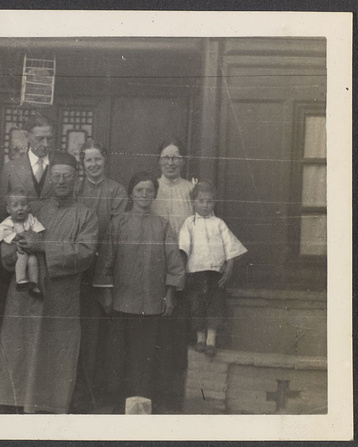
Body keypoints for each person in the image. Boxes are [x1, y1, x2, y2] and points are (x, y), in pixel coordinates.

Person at [0, 151, 99, 414]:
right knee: (21, 346)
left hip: (62, 296)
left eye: (67, 176)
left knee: (56, 349)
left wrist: (43, 246)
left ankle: (49, 405)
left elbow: (85, 253)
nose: (61, 181)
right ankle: (15, 403)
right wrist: (11, 251)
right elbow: (5, 239)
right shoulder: (32, 208)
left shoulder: (86, 215)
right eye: (56, 176)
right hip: (26, 294)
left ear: (76, 179)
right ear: (50, 177)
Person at [93, 171, 185, 413]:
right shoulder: (119, 223)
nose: (144, 195)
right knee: (116, 354)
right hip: (121, 302)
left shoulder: (162, 225)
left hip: (152, 303)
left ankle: (142, 404)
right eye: (139, 190)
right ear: (131, 194)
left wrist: (170, 294)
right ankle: (115, 402)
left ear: (154, 195)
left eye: (149, 191)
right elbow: (105, 262)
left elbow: (174, 263)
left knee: (145, 356)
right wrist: (107, 295)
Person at [72, 139, 128, 412]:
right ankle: (76, 389)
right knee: (77, 332)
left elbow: (115, 233)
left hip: (104, 269)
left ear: (105, 160)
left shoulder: (116, 191)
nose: (93, 165)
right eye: (88, 160)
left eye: (98, 159)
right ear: (82, 164)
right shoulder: (75, 188)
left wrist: (103, 270)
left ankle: (99, 392)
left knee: (101, 334)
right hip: (75, 270)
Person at [150, 137, 195, 413]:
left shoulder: (191, 190)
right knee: (155, 329)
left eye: (175, 157)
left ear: (183, 161)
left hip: (183, 265)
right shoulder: (151, 189)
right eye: (165, 157)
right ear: (159, 161)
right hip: (153, 267)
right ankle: (154, 388)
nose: (170, 162)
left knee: (177, 329)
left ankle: (173, 392)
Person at [179, 180, 247, 357]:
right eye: (201, 201)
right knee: (197, 305)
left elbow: (230, 246)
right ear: (193, 202)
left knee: (215, 305)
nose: (205, 205)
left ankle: (211, 340)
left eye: (209, 201)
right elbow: (184, 247)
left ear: (214, 203)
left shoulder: (219, 223)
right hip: (195, 273)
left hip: (215, 273)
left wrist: (229, 267)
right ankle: (200, 339)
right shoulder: (189, 223)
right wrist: (181, 268)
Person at [0, 114, 56, 220]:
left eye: (49, 139)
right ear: (27, 136)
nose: (46, 144)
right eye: (40, 139)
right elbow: (2, 208)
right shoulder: (11, 168)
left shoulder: (60, 165)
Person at [0, 189, 45, 296]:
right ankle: (21, 280)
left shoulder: (31, 219)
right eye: (15, 206)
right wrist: (15, 236)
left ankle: (33, 284)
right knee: (22, 257)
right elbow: (3, 234)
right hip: (17, 248)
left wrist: (38, 236)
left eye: (23, 205)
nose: (20, 208)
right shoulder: (8, 223)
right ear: (8, 209)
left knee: (33, 261)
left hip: (30, 249)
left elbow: (38, 230)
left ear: (28, 207)